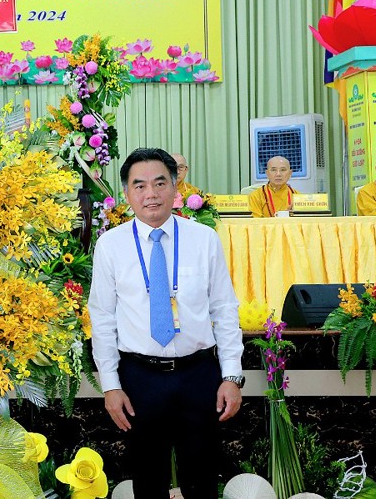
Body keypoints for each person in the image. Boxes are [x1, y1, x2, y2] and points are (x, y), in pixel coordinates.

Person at [88, 148, 243, 498]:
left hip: (198, 376)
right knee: (148, 482)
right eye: (139, 185)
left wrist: (231, 376)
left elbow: (224, 308)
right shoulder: (110, 246)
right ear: (127, 193)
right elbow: (102, 317)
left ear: (175, 187)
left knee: (202, 481)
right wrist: (110, 386)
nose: (151, 194)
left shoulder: (203, 239)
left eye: (160, 183)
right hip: (139, 379)